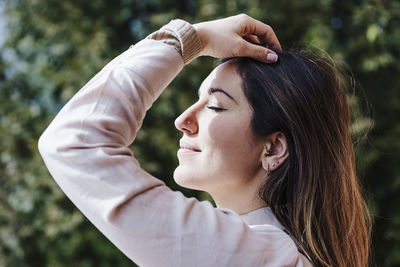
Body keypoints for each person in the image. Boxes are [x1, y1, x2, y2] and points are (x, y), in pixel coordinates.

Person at [38, 14, 371, 266]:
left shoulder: (254, 256)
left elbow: (74, 142)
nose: (183, 120)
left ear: (274, 148)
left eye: (215, 105)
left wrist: (190, 38)